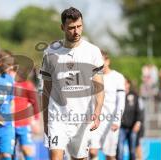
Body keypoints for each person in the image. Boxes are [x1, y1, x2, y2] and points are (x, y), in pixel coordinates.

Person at [40, 7, 104, 160]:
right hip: (57, 118)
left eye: (79, 26)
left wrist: (97, 112)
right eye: (71, 28)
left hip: (82, 120)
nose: (76, 31)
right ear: (62, 27)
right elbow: (46, 90)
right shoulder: (50, 53)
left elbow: (99, 87)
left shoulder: (93, 51)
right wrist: (46, 121)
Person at [89, 51, 126, 160]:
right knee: (92, 151)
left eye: (102, 61)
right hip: (95, 119)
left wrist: (117, 120)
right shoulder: (91, 77)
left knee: (110, 155)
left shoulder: (118, 77)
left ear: (108, 61)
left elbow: (121, 101)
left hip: (110, 120)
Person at [13, 68, 40, 160]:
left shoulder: (28, 85)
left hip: (23, 124)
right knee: (10, 151)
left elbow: (35, 103)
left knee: (26, 149)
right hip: (10, 125)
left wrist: (35, 121)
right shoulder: (8, 85)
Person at [116, 79, 142, 160]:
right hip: (121, 127)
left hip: (132, 127)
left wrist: (138, 123)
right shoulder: (118, 95)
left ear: (129, 85)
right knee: (120, 150)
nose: (124, 85)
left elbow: (139, 110)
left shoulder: (134, 95)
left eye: (126, 83)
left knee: (132, 151)